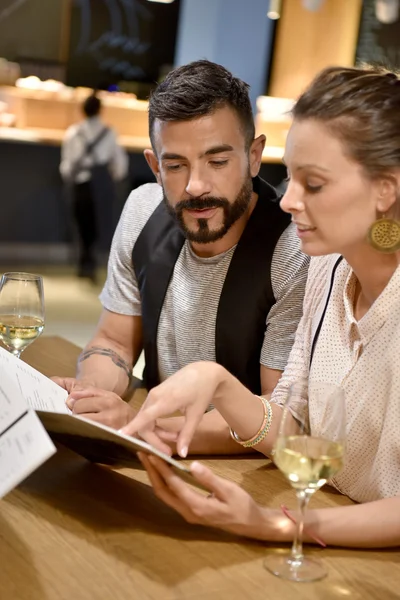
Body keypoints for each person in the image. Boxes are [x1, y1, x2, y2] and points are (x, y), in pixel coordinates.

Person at [112, 65, 400, 548]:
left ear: (385, 189)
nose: (286, 201)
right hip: (332, 533)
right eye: (290, 177)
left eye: (313, 184)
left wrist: (276, 524)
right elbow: (294, 427)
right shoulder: (329, 271)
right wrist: (220, 385)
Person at [55, 60, 309, 453]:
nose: (195, 186)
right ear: (155, 167)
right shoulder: (142, 211)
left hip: (245, 471)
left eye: (218, 161)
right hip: (152, 451)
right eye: (175, 165)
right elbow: (114, 341)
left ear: (254, 156)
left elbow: (278, 412)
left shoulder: (292, 249)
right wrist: (92, 395)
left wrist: (142, 427)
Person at [60, 93, 129, 281]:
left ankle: (83, 261)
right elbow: (120, 164)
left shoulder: (74, 132)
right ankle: (92, 261)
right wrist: (115, 178)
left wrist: (69, 178)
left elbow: (66, 165)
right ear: (100, 110)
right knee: (100, 222)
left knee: (81, 223)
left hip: (81, 183)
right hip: (102, 183)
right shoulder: (109, 132)